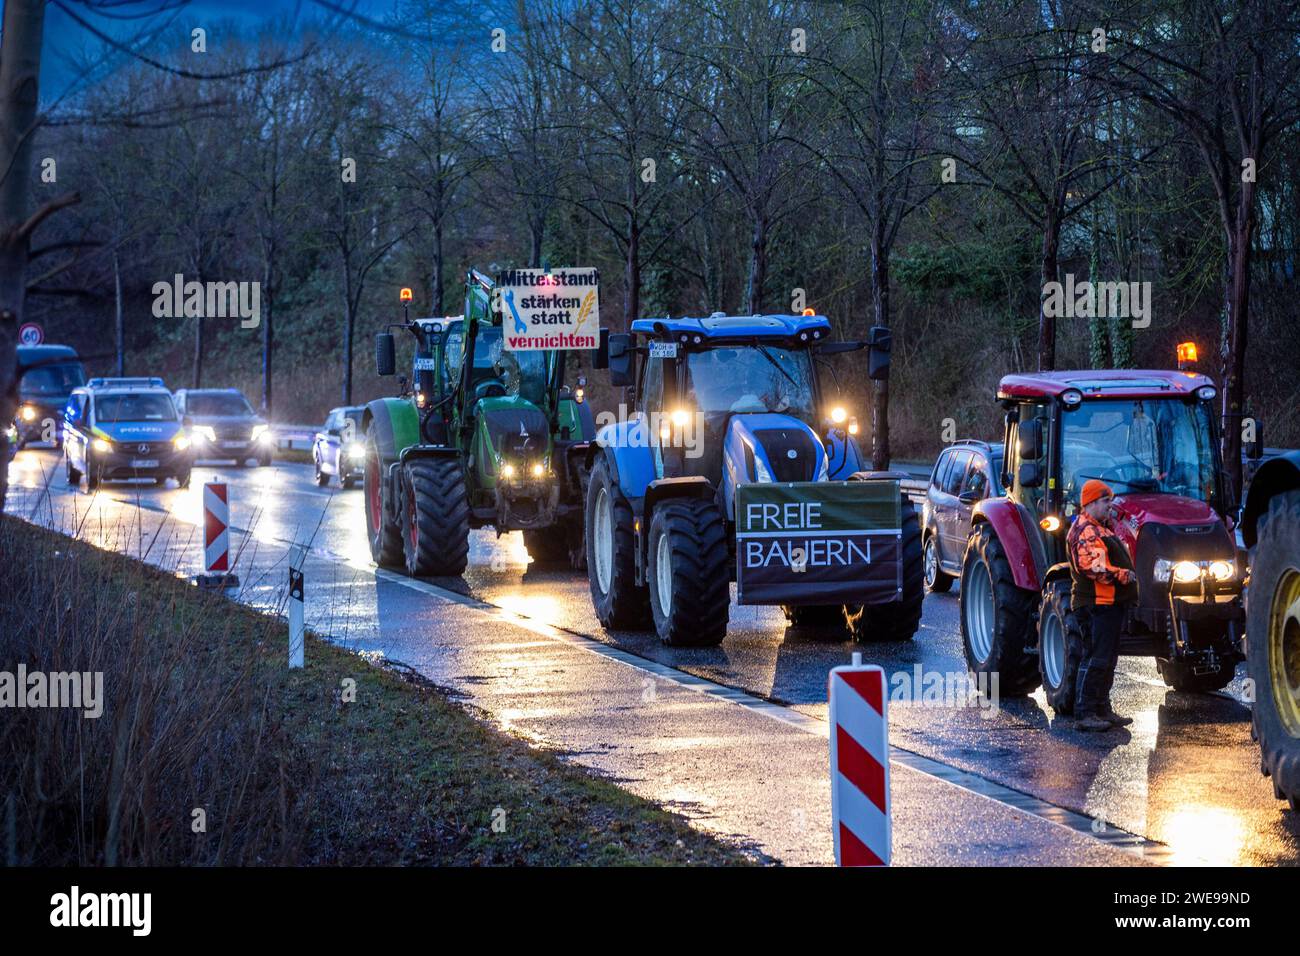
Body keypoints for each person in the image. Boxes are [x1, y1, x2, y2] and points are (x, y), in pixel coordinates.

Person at [1066, 478, 1139, 731]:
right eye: (1106, 500)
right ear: (1091, 503)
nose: (1111, 505)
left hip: (1109, 604)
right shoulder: (1086, 530)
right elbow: (1092, 566)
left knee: (1107, 659)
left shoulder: (1103, 527)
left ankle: (1102, 709)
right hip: (1096, 604)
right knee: (1096, 657)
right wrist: (1122, 574)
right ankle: (1085, 713)